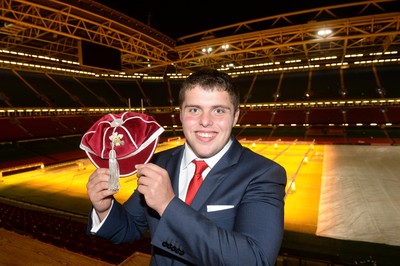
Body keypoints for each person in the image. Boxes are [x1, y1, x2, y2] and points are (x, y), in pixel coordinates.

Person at [86, 68, 287, 265]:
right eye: (194, 110)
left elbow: (256, 259)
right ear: (180, 114)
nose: (205, 121)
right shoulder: (158, 162)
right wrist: (104, 208)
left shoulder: (264, 174)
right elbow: (128, 228)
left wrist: (167, 205)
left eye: (218, 110)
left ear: (235, 116)